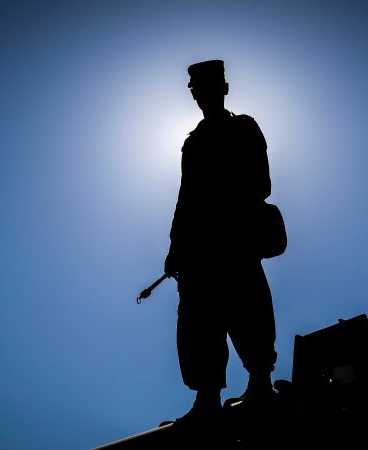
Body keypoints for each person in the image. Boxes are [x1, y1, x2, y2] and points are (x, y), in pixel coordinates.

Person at [164, 60, 278, 421]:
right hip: (198, 249)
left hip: (234, 241)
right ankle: (206, 401)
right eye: (196, 90)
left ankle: (260, 384)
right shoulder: (193, 142)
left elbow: (261, 183)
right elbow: (184, 199)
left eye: (209, 88)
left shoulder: (243, 128)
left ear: (223, 89)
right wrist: (175, 247)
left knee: (247, 310)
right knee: (198, 323)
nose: (202, 95)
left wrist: (227, 208)